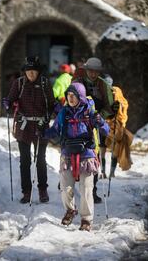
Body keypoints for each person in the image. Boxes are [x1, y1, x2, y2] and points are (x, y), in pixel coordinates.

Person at [44, 82, 109, 231]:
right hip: (67, 153)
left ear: (80, 96)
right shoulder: (64, 113)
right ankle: (70, 210)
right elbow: (55, 130)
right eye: (68, 95)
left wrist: (100, 121)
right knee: (66, 187)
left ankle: (86, 219)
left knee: (86, 189)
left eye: (73, 95)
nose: (70, 98)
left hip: (86, 154)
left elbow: (106, 130)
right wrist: (43, 132)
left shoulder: (89, 112)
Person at [2, 56, 55, 204]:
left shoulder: (45, 84)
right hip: (23, 127)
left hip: (41, 126)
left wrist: (51, 114)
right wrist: (7, 104)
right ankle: (26, 192)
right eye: (28, 71)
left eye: (34, 71)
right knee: (25, 161)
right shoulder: (18, 83)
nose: (31, 74)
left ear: (39, 72)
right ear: (24, 72)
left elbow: (51, 104)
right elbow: (11, 100)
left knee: (40, 160)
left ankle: (42, 190)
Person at [72, 57, 115, 203]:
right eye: (90, 71)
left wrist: (100, 116)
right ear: (86, 70)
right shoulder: (77, 83)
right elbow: (70, 102)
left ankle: (93, 191)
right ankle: (68, 183)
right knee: (73, 153)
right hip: (76, 123)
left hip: (94, 126)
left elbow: (109, 108)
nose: (93, 74)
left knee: (93, 158)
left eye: (96, 71)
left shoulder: (103, 86)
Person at [103, 75, 133, 177]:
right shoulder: (100, 91)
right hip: (103, 123)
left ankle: (112, 172)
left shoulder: (116, 91)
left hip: (116, 123)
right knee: (101, 148)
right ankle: (103, 171)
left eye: (109, 83)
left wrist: (118, 106)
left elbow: (124, 104)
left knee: (116, 146)